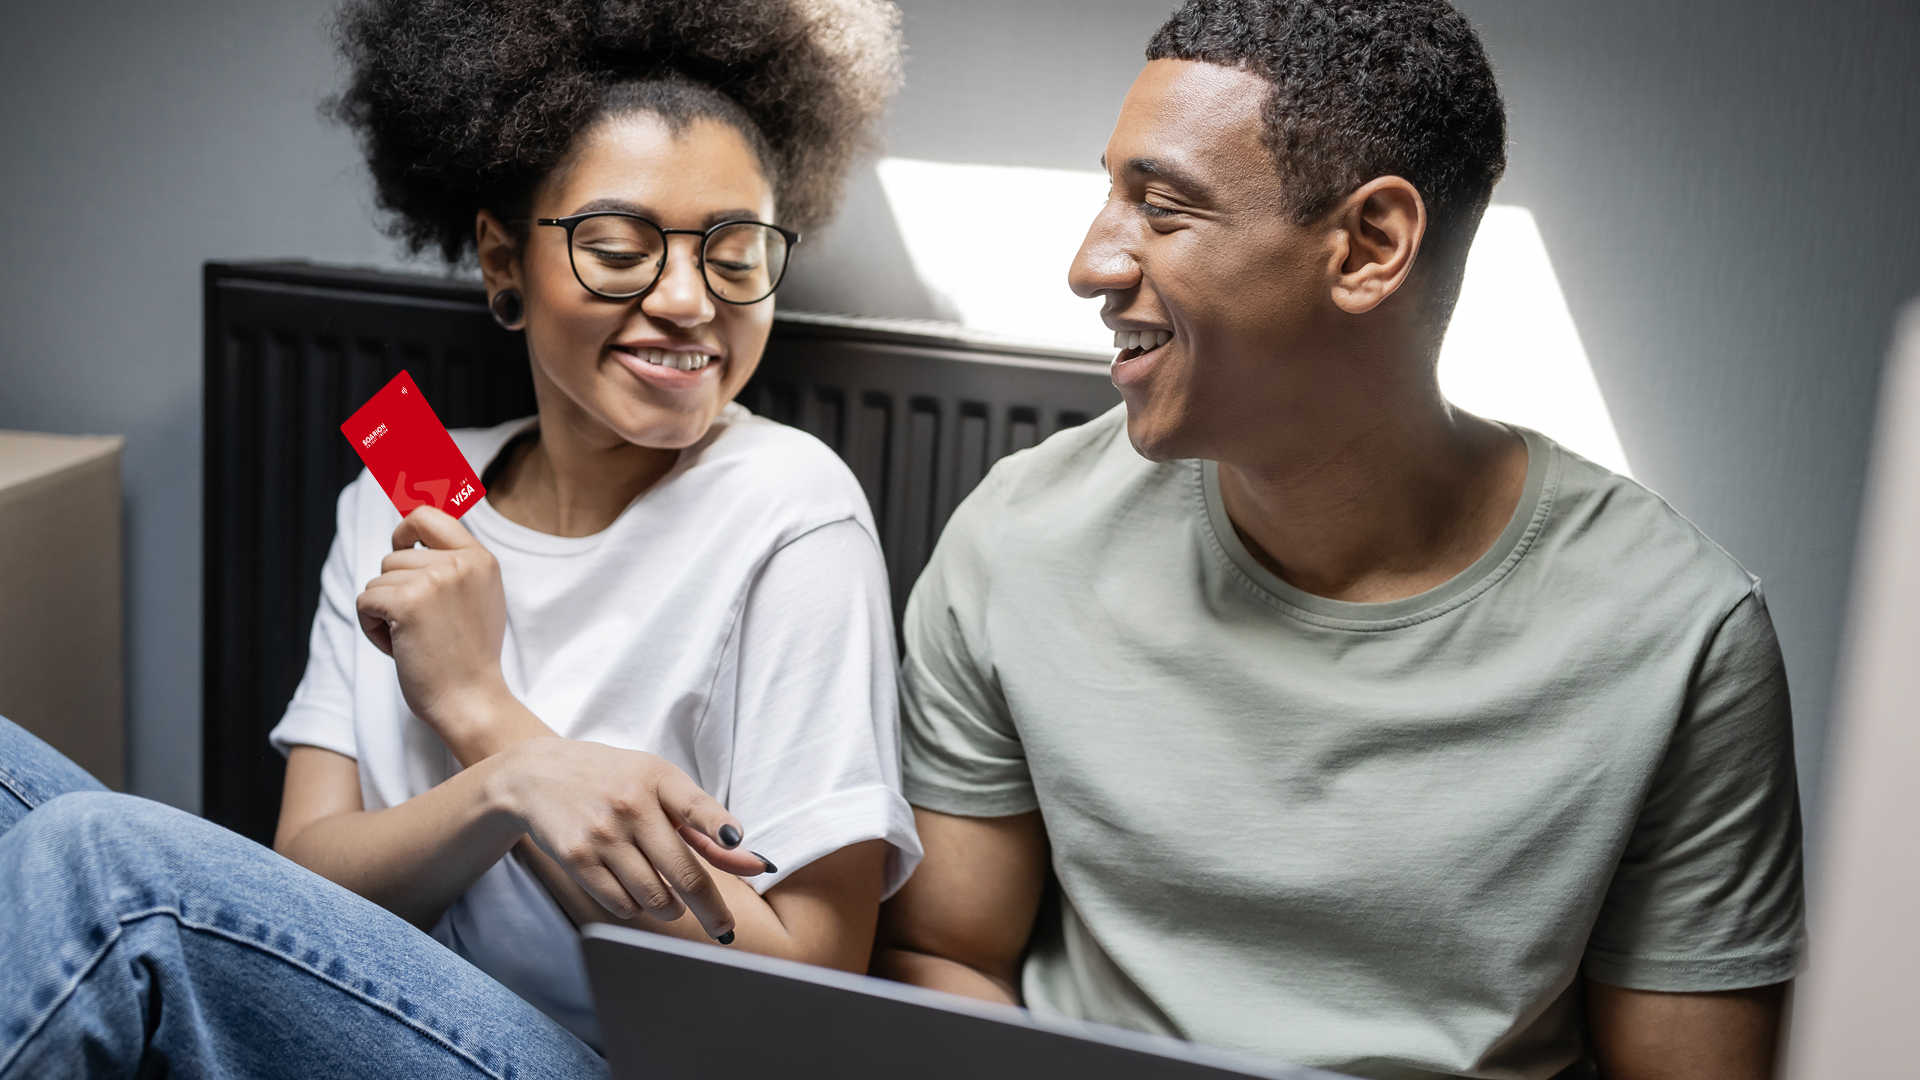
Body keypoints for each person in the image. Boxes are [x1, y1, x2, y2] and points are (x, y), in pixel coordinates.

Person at [873, 3, 1804, 1079]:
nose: (1092, 263)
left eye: (1163, 208)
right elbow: (944, 951)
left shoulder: (1683, 635)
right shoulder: (1017, 537)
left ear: (1369, 246)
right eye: (1110, 195)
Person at [0, 0, 914, 1073]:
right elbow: (308, 876)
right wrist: (504, 789)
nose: (687, 299)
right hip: (365, 1003)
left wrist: (485, 717)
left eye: (737, 252)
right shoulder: (407, 486)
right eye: (618, 249)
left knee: (105, 862)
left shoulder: (791, 512)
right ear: (501, 261)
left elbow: (805, 999)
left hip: (605, 1059)